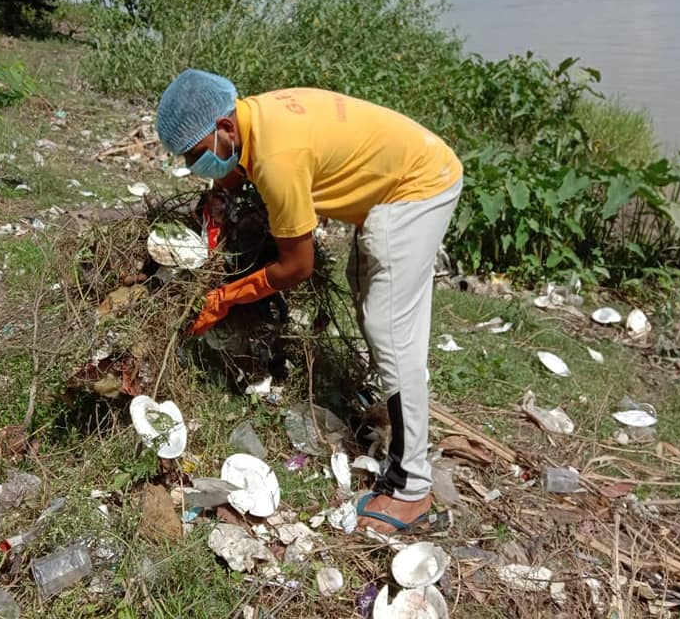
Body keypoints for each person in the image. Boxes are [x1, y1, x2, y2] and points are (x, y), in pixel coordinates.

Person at [156, 69, 463, 534]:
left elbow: (296, 267)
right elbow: (248, 170)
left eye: (197, 154)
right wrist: (222, 194)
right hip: (406, 173)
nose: (195, 165)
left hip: (418, 187)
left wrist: (223, 298)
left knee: (390, 329)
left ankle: (411, 489)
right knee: (365, 288)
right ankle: (399, 405)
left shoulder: (277, 158)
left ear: (224, 127)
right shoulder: (254, 118)